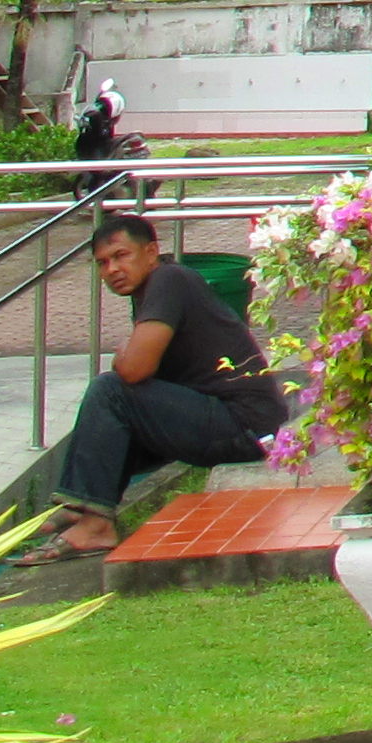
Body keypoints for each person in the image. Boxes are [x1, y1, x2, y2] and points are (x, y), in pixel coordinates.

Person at [42, 211, 290, 560]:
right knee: (117, 410)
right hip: (224, 420)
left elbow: (133, 371)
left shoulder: (169, 280)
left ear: (151, 252)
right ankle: (84, 507)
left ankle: (95, 522)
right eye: (102, 263)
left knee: (110, 390)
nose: (112, 270)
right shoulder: (154, 288)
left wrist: (123, 357)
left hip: (245, 426)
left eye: (121, 256)